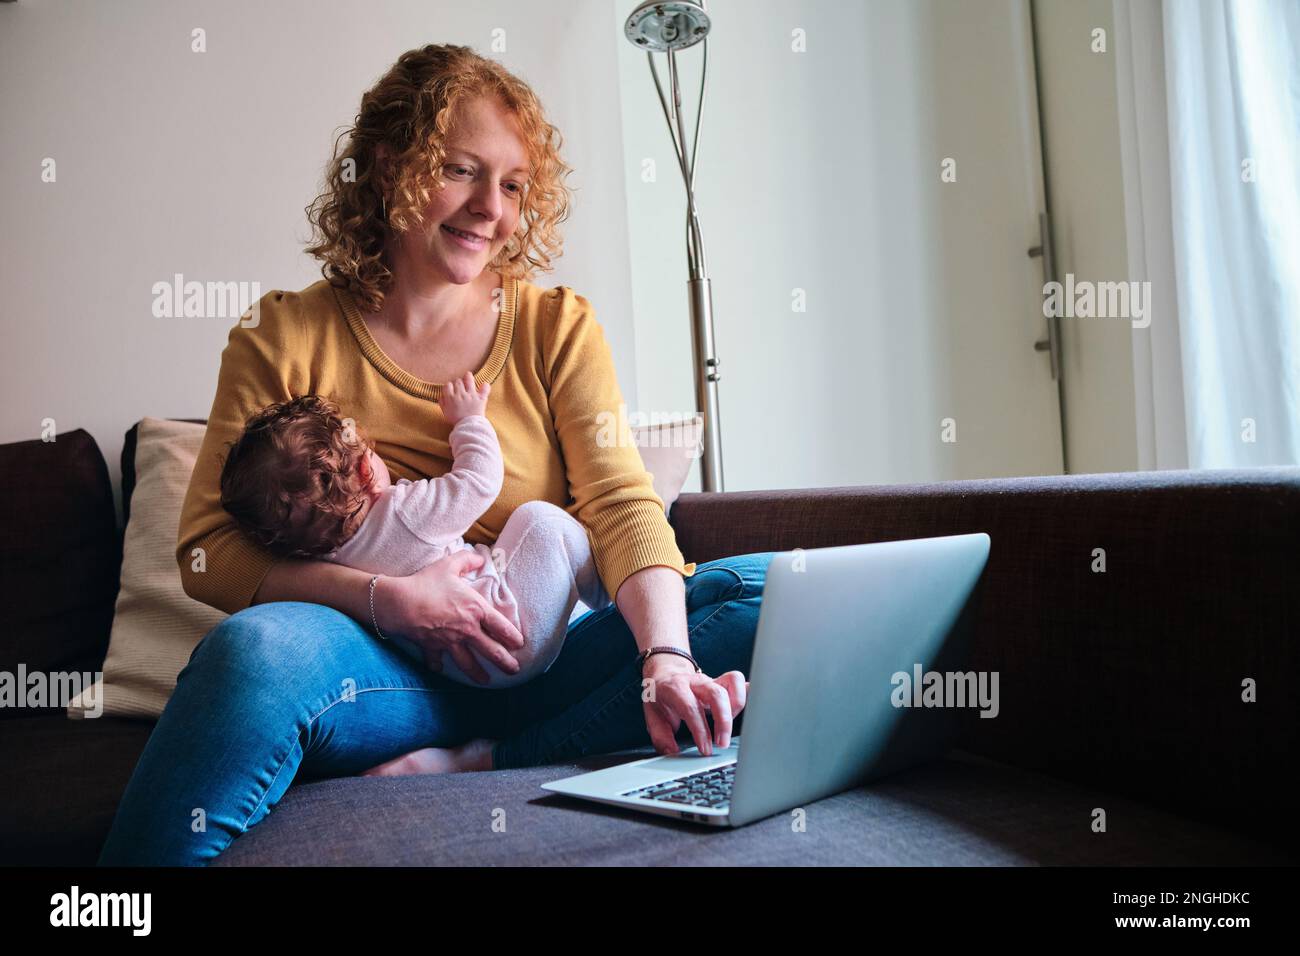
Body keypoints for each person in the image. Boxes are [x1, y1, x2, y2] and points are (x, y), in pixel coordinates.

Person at [97, 43, 774, 865]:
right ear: (389, 168)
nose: (491, 207)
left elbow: (622, 505)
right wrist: (393, 599)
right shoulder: (282, 335)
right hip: (381, 670)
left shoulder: (558, 327)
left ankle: (492, 754)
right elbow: (208, 552)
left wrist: (665, 660)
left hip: (546, 654)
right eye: (461, 170)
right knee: (255, 652)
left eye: (514, 185)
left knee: (772, 594)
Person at [217, 380, 611, 689]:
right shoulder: (404, 512)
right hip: (511, 632)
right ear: (366, 472)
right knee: (539, 521)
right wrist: (469, 420)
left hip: (463, 673)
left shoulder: (318, 560)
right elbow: (480, 480)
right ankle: (605, 598)